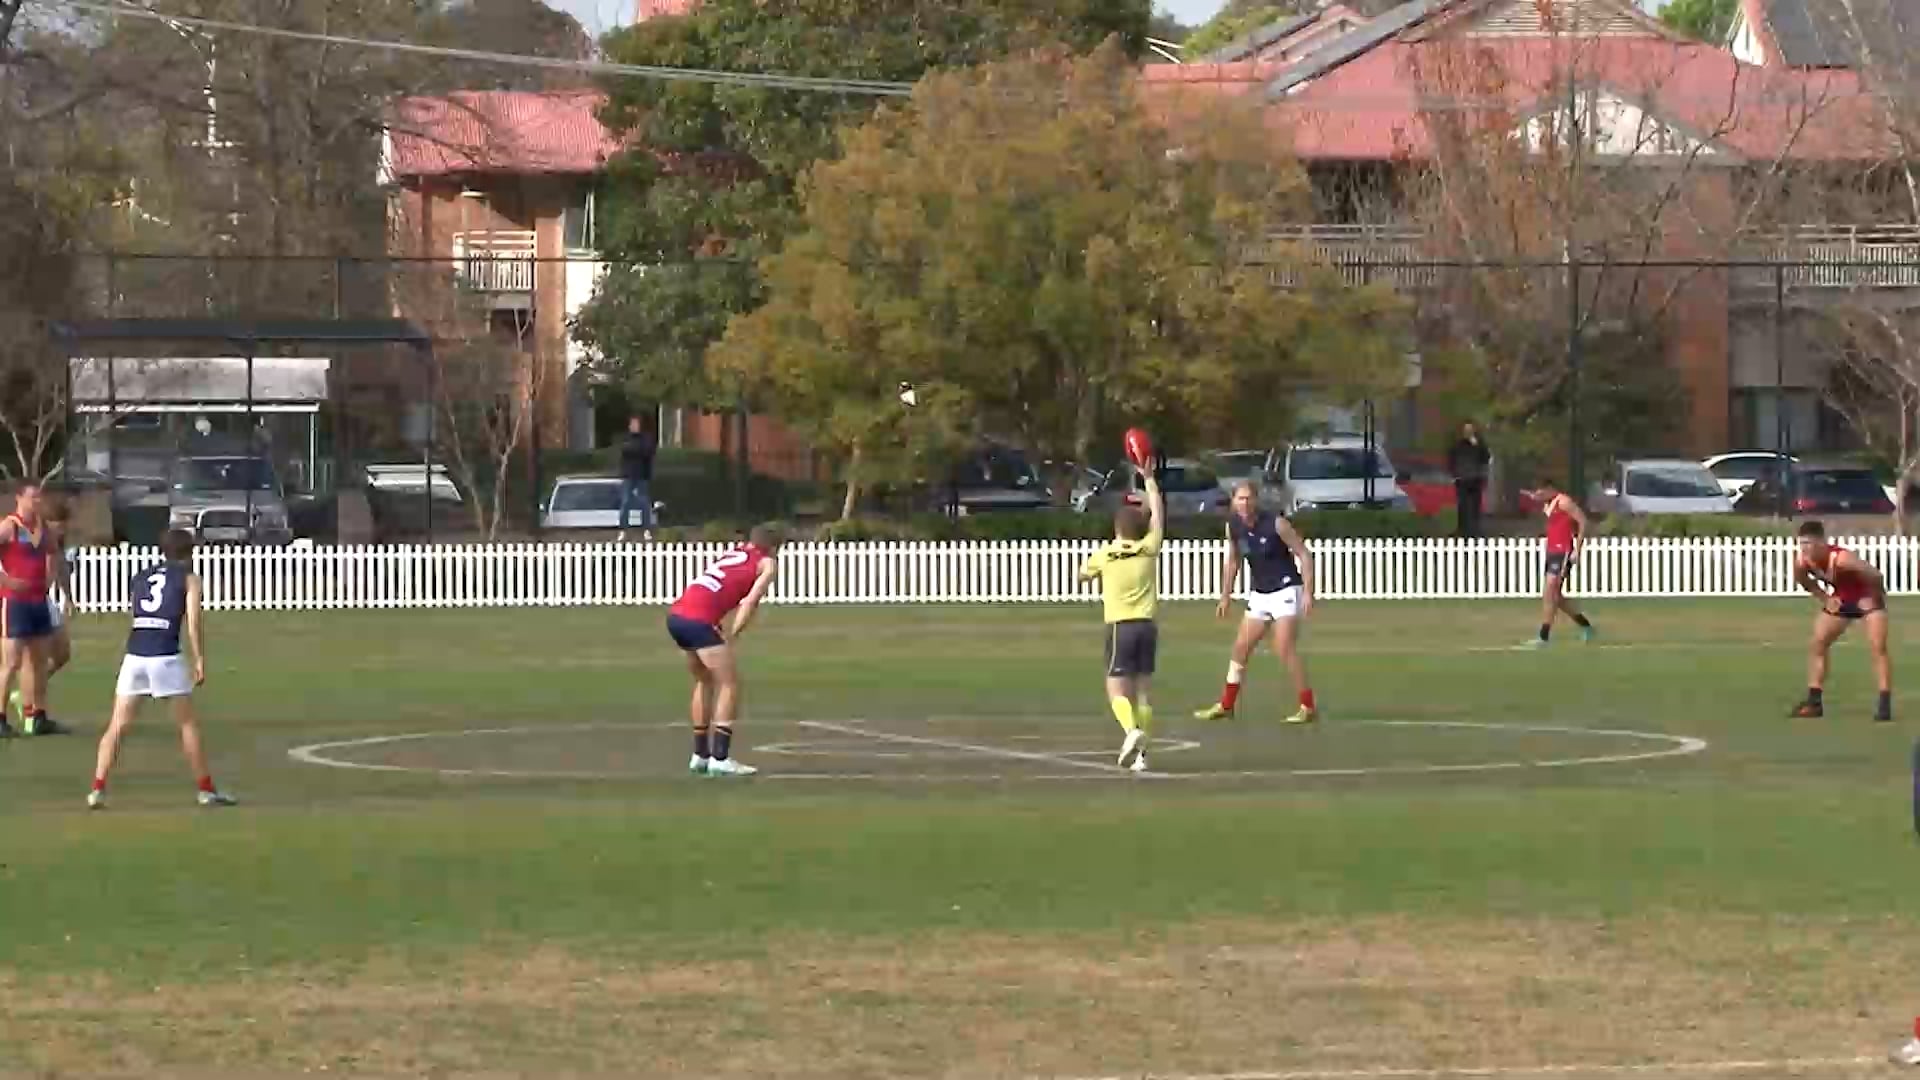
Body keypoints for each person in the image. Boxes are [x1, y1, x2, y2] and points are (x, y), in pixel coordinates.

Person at [89, 529, 235, 808]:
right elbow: (193, 621)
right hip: (165, 656)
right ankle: (206, 790)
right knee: (187, 725)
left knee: (117, 726)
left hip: (135, 655)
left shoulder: (141, 577)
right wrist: (200, 658)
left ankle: (97, 788)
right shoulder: (189, 579)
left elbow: (137, 616)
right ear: (189, 552)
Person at [666, 523, 785, 777]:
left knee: (704, 680)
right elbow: (750, 601)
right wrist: (733, 634)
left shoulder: (736, 552)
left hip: (677, 615)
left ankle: (700, 756)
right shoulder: (767, 564)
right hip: (699, 620)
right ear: (774, 549)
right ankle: (720, 758)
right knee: (730, 684)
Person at [1194, 482, 1318, 725]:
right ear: (1233, 501)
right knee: (1241, 648)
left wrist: (1308, 592)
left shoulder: (1276, 524)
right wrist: (1225, 596)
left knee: (1283, 647)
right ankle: (1226, 705)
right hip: (1260, 593)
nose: (1245, 503)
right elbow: (1233, 561)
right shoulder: (1234, 527)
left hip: (1285, 589)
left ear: (1256, 500)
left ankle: (1307, 706)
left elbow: (1304, 554)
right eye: (1240, 499)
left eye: (1249, 498)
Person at [1077, 462, 1165, 773]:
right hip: (1147, 626)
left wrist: (1091, 574)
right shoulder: (1148, 547)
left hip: (1120, 627)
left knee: (1116, 688)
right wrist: (1150, 478)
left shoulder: (1106, 554)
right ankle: (1143, 756)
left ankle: (1131, 732)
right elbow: (1158, 512)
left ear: (1117, 528)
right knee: (1142, 690)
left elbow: (1081, 576)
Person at [1790, 519, 1891, 722]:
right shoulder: (1802, 562)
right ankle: (1814, 702)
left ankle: (1884, 704)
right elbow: (1805, 582)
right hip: (1842, 598)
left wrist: (1873, 596)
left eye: (1809, 544)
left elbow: (1875, 574)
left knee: (1877, 646)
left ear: (1822, 542)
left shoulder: (1843, 559)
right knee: (1818, 643)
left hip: (1867, 596)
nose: (1805, 549)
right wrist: (1826, 599)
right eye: (1802, 544)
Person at [0, 481, 68, 737]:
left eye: (40, 498)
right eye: (32, 498)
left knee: (38, 663)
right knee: (10, 663)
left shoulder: (43, 528)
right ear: (19, 498)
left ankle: (37, 716)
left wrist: (50, 581)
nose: (37, 503)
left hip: (38, 601)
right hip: (14, 602)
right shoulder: (9, 526)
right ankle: (1, 717)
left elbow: (53, 554)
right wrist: (6, 581)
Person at [1523, 477, 1596, 648]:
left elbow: (1583, 521)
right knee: (1556, 597)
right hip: (1552, 551)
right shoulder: (1549, 503)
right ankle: (1585, 625)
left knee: (1550, 590)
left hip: (1564, 551)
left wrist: (1577, 549)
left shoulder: (1564, 502)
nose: (1538, 495)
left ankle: (1544, 636)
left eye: (1541, 492)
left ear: (1550, 489)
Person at [618, 414, 657, 543]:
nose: (634, 426)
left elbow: (648, 451)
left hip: (642, 476)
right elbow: (625, 450)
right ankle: (623, 530)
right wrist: (638, 451)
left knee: (644, 504)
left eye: (636, 424)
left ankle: (646, 530)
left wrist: (635, 451)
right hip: (628, 476)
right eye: (632, 424)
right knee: (626, 503)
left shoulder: (647, 438)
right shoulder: (626, 438)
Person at [1448, 421, 1491, 538]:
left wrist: (1477, 445)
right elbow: (1452, 459)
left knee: (1475, 505)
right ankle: (1462, 530)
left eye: (1470, 430)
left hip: (1475, 479)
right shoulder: (1458, 444)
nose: (1468, 432)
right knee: (1462, 506)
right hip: (1462, 479)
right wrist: (1453, 474)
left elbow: (1485, 458)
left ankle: (1476, 530)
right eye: (1466, 430)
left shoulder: (1478, 444)